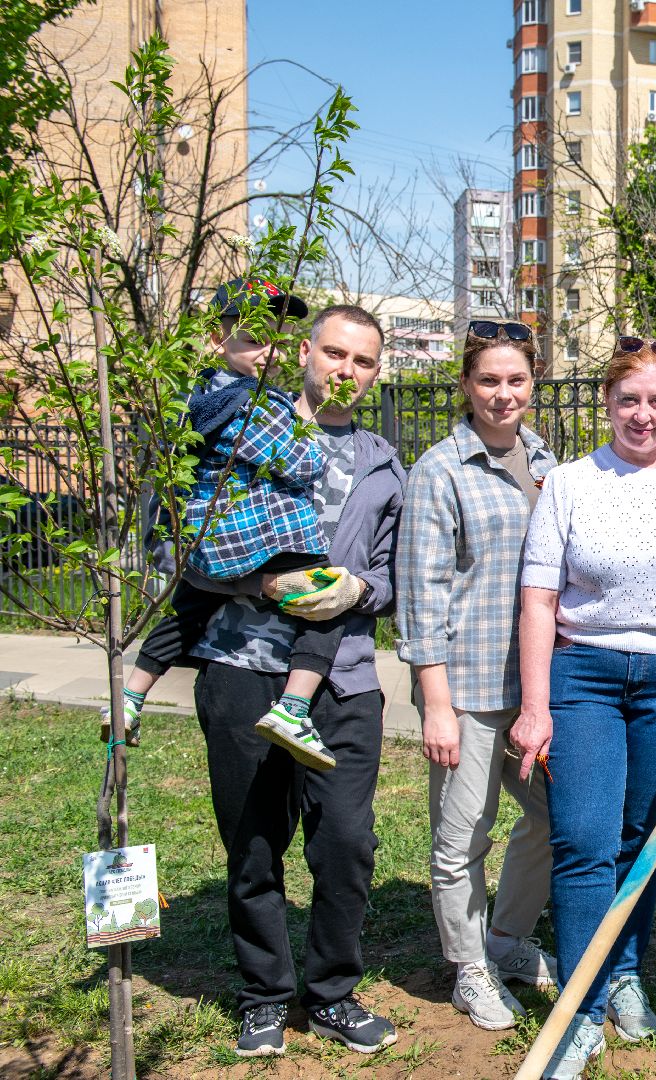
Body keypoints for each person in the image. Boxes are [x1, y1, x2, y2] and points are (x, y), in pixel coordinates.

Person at [511, 335, 656, 1078]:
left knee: (646, 838)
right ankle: (578, 1011)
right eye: (626, 400)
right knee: (583, 839)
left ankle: (623, 974)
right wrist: (537, 705)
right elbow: (540, 599)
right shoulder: (571, 484)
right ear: (606, 404)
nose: (640, 415)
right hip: (585, 676)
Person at [186, 304, 406, 1058]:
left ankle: (333, 992)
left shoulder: (383, 461)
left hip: (344, 679)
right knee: (252, 844)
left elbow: (392, 577)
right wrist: (256, 583)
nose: (346, 370)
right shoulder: (244, 431)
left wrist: (358, 593)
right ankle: (264, 996)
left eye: (364, 360)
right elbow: (180, 542)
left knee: (346, 844)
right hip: (240, 669)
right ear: (305, 352)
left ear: (379, 372)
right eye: (335, 353)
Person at [109, 278, 345, 770]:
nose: (269, 352)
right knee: (325, 600)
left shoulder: (197, 399)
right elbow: (298, 460)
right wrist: (310, 445)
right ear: (218, 339)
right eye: (256, 338)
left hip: (211, 538)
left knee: (187, 611)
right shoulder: (248, 402)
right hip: (265, 531)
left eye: (277, 339)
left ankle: (130, 695)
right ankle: (295, 708)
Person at [397, 320, 560, 1032]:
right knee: (463, 836)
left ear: (534, 384)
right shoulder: (440, 470)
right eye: (489, 380)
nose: (503, 394)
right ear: (465, 386)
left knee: (554, 824)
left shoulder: (547, 461)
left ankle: (505, 939)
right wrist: (436, 704)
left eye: (516, 380)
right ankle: (468, 968)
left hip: (534, 689)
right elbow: (420, 591)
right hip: (464, 688)